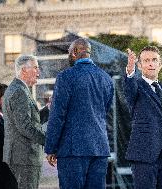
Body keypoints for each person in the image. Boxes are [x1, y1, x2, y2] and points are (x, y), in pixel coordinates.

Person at [45, 38, 114, 189]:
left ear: (75, 52)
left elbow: (57, 115)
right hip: (99, 149)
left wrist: (50, 148)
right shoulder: (106, 78)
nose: (69, 56)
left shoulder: (65, 77)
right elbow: (104, 111)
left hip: (72, 151)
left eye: (69, 53)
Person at [124, 46, 162, 189]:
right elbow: (129, 90)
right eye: (146, 60)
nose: (150, 63)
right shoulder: (136, 87)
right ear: (140, 66)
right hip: (144, 157)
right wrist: (130, 72)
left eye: (154, 60)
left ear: (160, 65)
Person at [2, 55, 46, 189]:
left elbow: (32, 120)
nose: (38, 72)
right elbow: (25, 127)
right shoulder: (19, 91)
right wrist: (50, 142)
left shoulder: (20, 89)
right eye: (35, 68)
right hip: (23, 159)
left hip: (23, 158)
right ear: (24, 70)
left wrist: (49, 109)